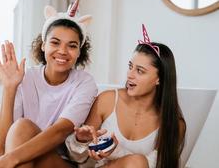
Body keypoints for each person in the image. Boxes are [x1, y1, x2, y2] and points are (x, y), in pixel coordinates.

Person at [0, 0, 98, 168]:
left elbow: (60, 131)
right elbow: (1, 142)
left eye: (72, 46)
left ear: (79, 52)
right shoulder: (26, 78)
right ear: (43, 45)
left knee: (22, 128)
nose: (62, 51)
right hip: (19, 155)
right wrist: (9, 88)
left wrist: (9, 160)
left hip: (58, 162)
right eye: (55, 42)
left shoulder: (84, 83)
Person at [66, 24, 186, 168]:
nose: (129, 75)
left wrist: (114, 151)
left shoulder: (174, 124)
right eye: (130, 66)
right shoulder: (107, 100)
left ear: (159, 79)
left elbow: (146, 166)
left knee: (137, 162)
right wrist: (81, 140)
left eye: (140, 71)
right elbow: (77, 160)